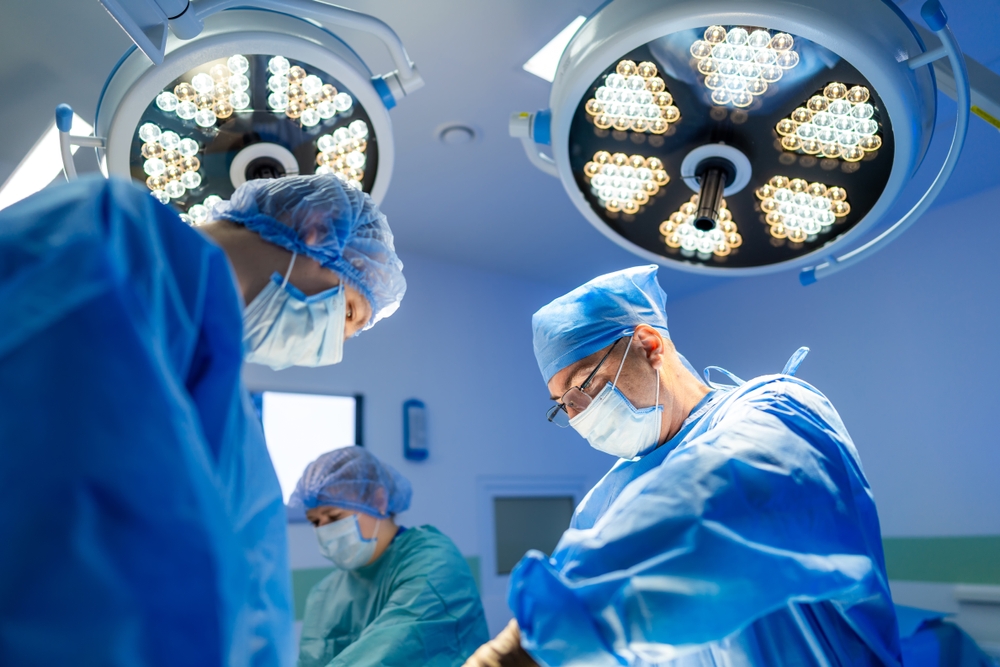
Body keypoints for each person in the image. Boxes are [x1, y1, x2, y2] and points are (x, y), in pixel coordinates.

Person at [0, 173, 405, 667]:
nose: (335, 346)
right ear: (317, 227)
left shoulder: (221, 403)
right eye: (348, 312)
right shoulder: (110, 236)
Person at [465, 265, 901, 666]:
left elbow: (714, 514)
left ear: (649, 346)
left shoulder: (782, 412)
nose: (577, 412)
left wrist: (521, 648)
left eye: (584, 384)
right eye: (563, 403)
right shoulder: (604, 505)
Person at [290, 446, 489, 667]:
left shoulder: (434, 562)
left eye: (335, 517)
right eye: (315, 522)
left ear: (378, 501)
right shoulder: (325, 593)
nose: (323, 530)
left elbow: (391, 653)